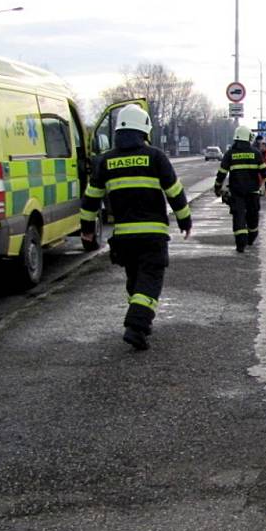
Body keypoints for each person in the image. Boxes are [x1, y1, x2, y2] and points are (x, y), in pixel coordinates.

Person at [80, 104, 192, 351]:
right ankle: (137, 326)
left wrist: (86, 228)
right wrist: (185, 220)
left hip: (124, 237)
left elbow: (90, 199)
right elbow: (175, 192)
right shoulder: (155, 156)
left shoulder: (105, 161)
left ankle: (140, 321)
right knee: (150, 280)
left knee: (134, 281)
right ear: (144, 130)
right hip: (153, 236)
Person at [214, 125, 266, 253]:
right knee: (253, 217)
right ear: (247, 138)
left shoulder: (230, 154)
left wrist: (217, 188)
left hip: (236, 192)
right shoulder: (256, 153)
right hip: (253, 192)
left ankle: (241, 244)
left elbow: (222, 173)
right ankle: (251, 238)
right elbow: (264, 171)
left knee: (238, 216)